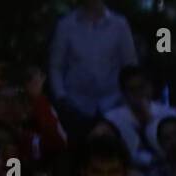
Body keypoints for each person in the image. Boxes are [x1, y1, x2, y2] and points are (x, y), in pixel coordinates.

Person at [48, 0, 137, 133]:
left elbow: (130, 65)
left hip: (113, 104)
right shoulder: (65, 26)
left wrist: (126, 98)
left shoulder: (120, 25)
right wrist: (61, 97)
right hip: (75, 105)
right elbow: (56, 66)